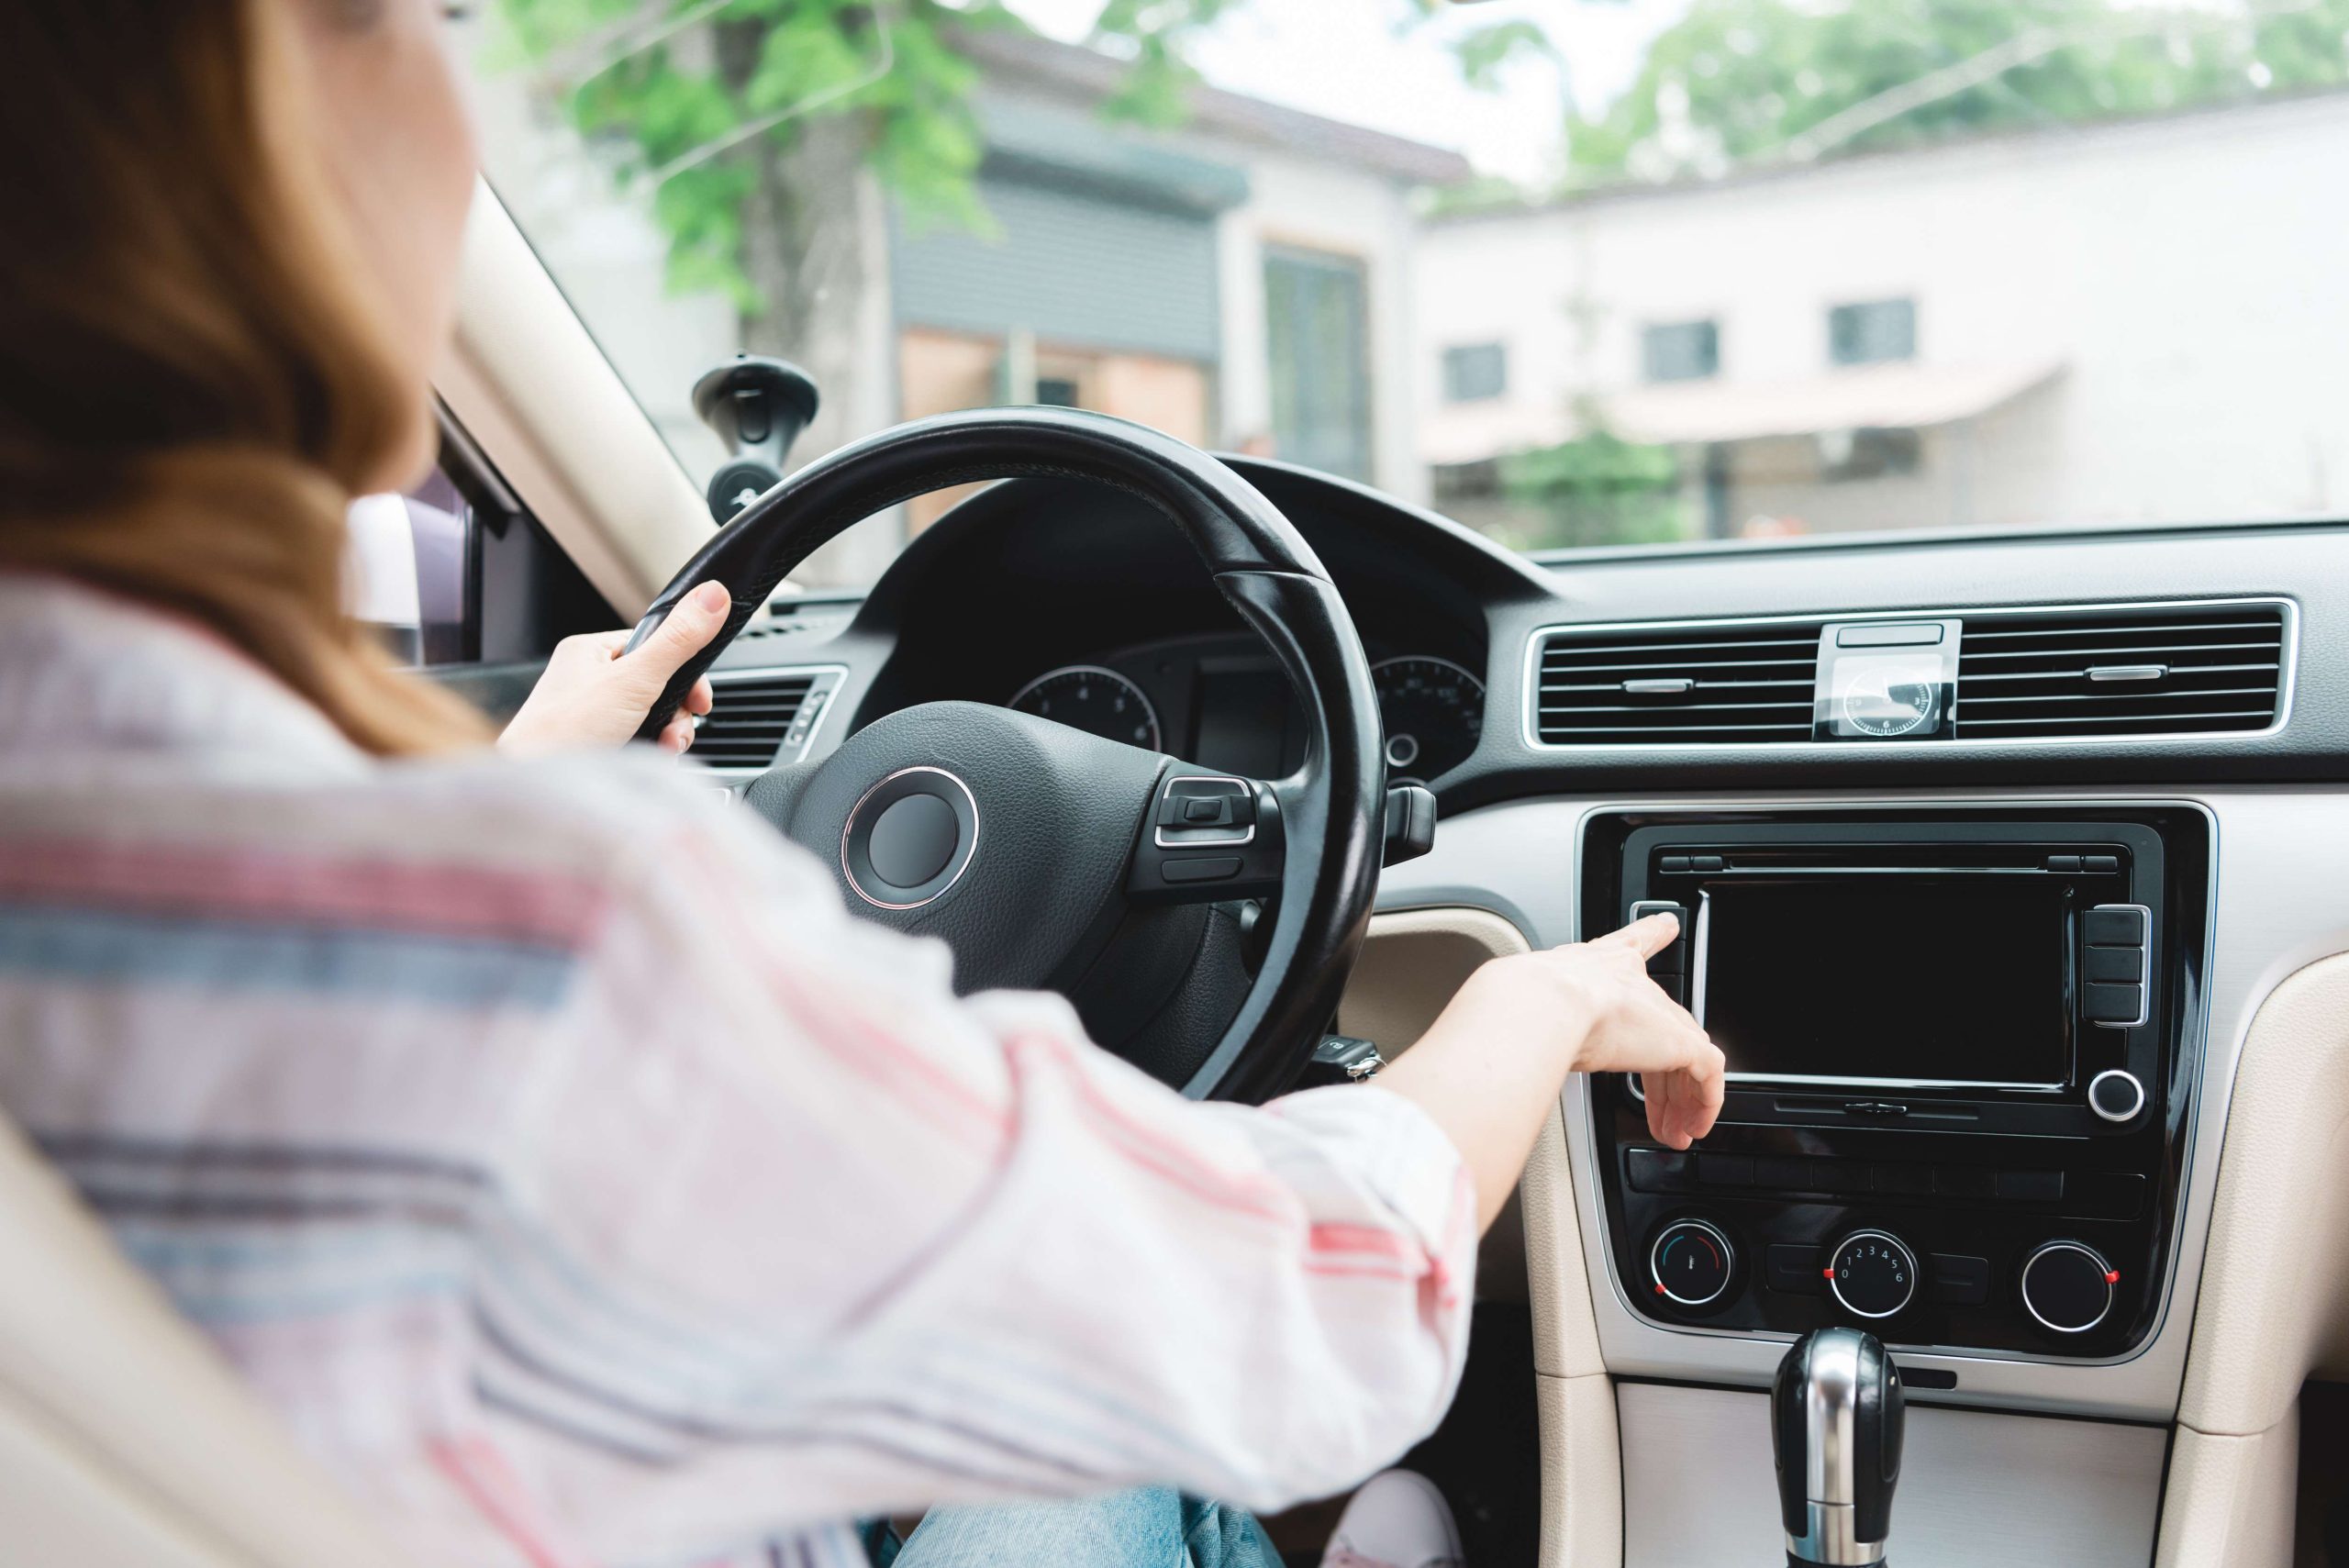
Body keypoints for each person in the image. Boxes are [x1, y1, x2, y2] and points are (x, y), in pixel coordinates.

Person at [0, 4, 1726, 1567]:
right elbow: (1310, 1300)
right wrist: (1538, 1003)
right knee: (1142, 1440)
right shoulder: (538, 943)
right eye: (423, 14)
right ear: (255, 122)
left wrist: (512, 781)